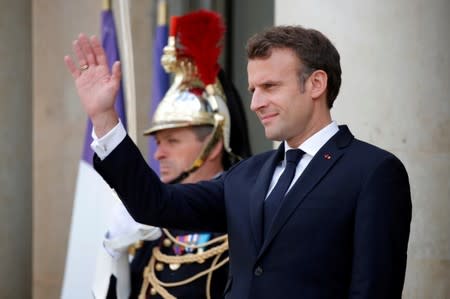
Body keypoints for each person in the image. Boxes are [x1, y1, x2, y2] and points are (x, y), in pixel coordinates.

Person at [65, 25, 412, 298]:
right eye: (253, 90)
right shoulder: (246, 175)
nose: (256, 103)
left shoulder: (372, 171)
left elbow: (373, 289)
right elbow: (155, 204)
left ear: (317, 83)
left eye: (270, 86)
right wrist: (105, 118)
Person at [91, 10, 252, 299]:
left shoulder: (246, 216)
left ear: (213, 145)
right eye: (158, 142)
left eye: (173, 141)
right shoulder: (149, 230)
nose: (158, 154)